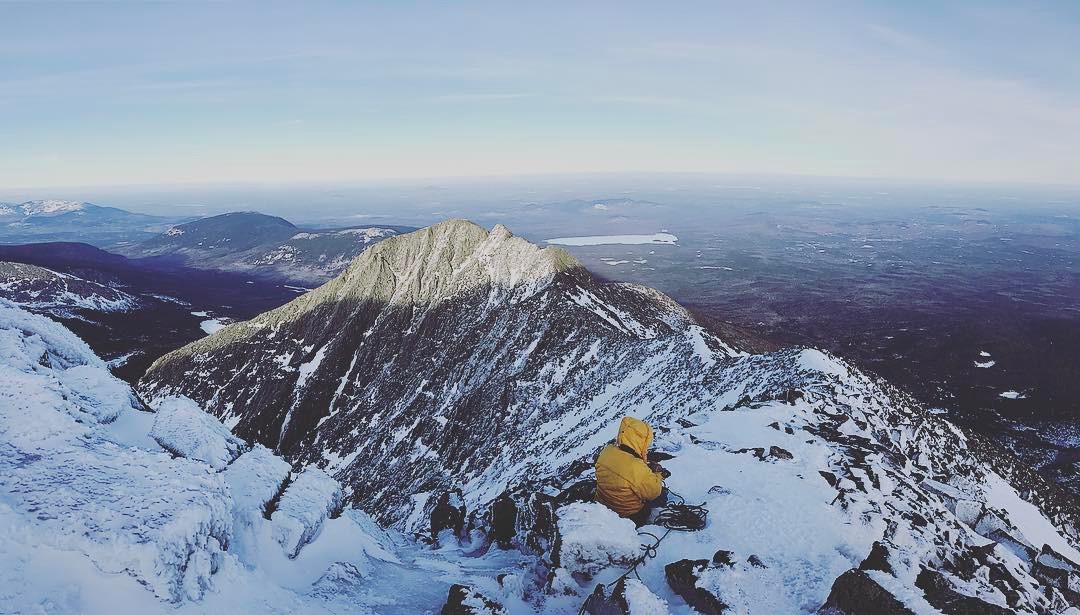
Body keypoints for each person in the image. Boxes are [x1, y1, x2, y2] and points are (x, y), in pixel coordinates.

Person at [595, 416, 668, 526]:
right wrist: (659, 474)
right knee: (662, 494)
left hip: (602, 505)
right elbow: (653, 493)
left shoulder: (607, 451)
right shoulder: (636, 466)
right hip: (628, 514)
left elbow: (623, 468)